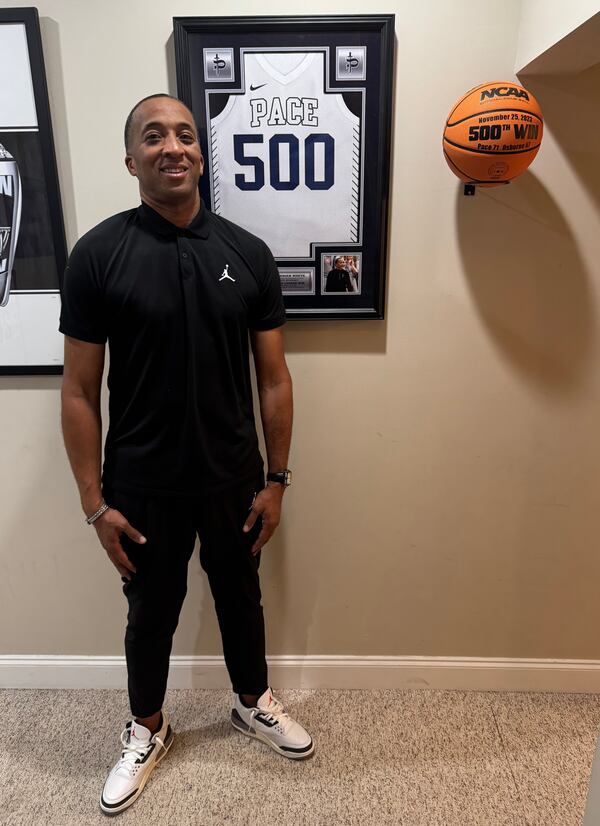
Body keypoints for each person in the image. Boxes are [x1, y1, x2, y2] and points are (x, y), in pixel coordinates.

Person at [59, 93, 313, 817]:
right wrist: (93, 502)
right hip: (140, 484)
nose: (172, 147)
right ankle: (146, 728)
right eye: (153, 136)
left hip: (233, 477)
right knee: (150, 612)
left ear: (201, 154)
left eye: (185, 135)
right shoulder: (98, 255)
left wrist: (277, 480)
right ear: (131, 158)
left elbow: (274, 378)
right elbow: (79, 391)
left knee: (242, 597)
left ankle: (250, 702)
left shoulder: (247, 254)